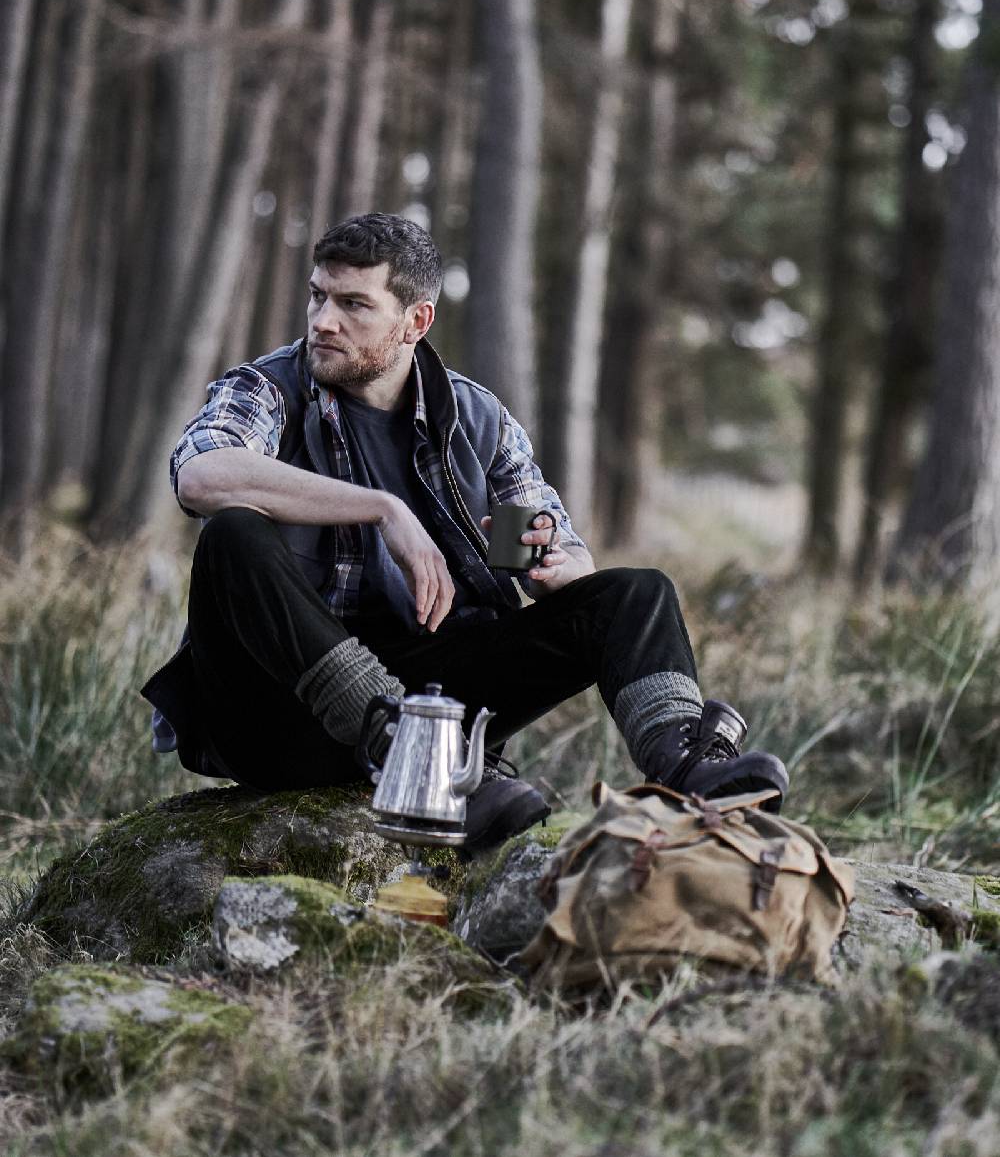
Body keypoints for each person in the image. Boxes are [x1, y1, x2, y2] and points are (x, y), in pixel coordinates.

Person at [142, 212, 788, 851]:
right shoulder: (268, 388)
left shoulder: (478, 418)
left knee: (634, 591)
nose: (322, 321)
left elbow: (558, 546)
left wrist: (561, 572)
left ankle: (687, 766)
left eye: (353, 305)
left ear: (415, 322)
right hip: (279, 714)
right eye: (318, 297)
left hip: (436, 699)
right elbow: (200, 474)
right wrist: (381, 509)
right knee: (234, 536)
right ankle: (411, 756)